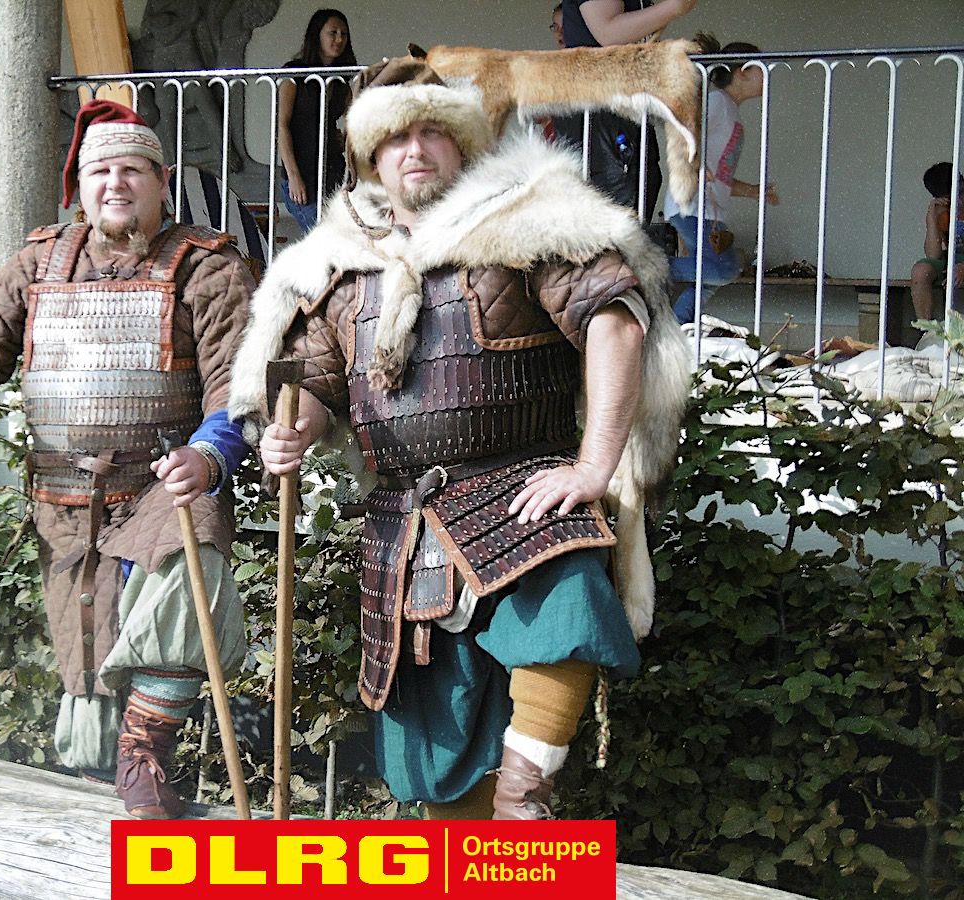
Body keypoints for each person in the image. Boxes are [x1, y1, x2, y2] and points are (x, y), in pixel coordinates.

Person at [229, 58, 690, 819]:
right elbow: (312, 386)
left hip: (522, 492)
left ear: (464, 144)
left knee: (566, 612)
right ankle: (479, 856)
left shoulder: (529, 217)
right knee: (436, 757)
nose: (415, 150)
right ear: (371, 157)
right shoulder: (337, 264)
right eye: (396, 137)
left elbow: (616, 321)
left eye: (433, 133)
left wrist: (593, 466)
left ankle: (524, 798)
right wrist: (294, 432)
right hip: (404, 525)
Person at [0, 100, 256, 819]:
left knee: (188, 572)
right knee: (87, 668)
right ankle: (103, 789)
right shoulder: (40, 261)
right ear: (80, 186)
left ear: (161, 181)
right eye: (101, 171)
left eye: (132, 170)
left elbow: (237, 378)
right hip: (63, 499)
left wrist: (210, 454)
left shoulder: (207, 266)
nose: (115, 183)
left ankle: (144, 753)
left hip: (163, 484)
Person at [664, 35, 778, 325]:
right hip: (692, 205)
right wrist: (695, 161)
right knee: (723, 269)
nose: (767, 76)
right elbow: (684, 132)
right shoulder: (717, 102)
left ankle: (679, 330)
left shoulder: (730, 109)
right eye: (761, 69)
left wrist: (753, 191)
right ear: (743, 72)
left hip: (709, 211)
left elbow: (721, 174)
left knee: (708, 281)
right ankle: (648, 267)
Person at [551, 0, 697, 214]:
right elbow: (608, 32)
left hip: (620, 107)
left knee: (640, 188)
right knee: (617, 205)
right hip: (602, 109)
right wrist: (675, 7)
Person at [277, 9, 356, 233]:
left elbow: (353, 120)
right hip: (302, 173)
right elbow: (282, 125)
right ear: (317, 35)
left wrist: (344, 139)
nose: (339, 39)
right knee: (325, 237)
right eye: (332, 32)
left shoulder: (342, 80)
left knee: (341, 237)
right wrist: (293, 176)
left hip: (333, 171)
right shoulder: (295, 73)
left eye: (343, 34)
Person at [911, 161, 964, 322]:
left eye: (960, 192)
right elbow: (933, 255)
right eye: (949, 197)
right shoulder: (941, 210)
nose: (958, 200)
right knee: (921, 271)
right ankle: (927, 329)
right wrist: (932, 217)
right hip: (951, 259)